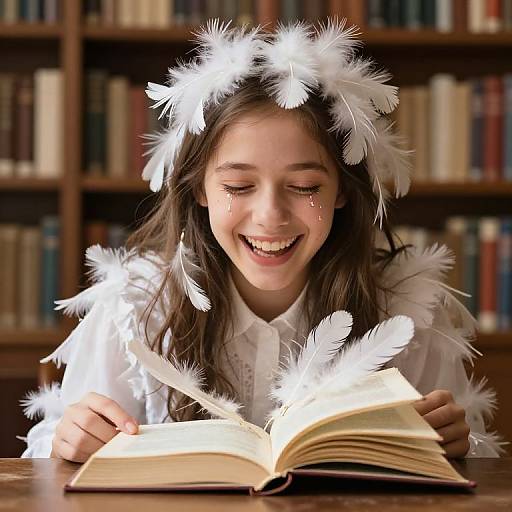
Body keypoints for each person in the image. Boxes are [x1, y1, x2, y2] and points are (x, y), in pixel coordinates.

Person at [20, 19, 503, 462]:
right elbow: (52, 460)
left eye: (305, 187)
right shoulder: (137, 308)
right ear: (199, 190)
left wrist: (458, 445)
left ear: (341, 193)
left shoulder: (406, 310)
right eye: (238, 186)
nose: (270, 216)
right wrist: (69, 442)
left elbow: (477, 462)